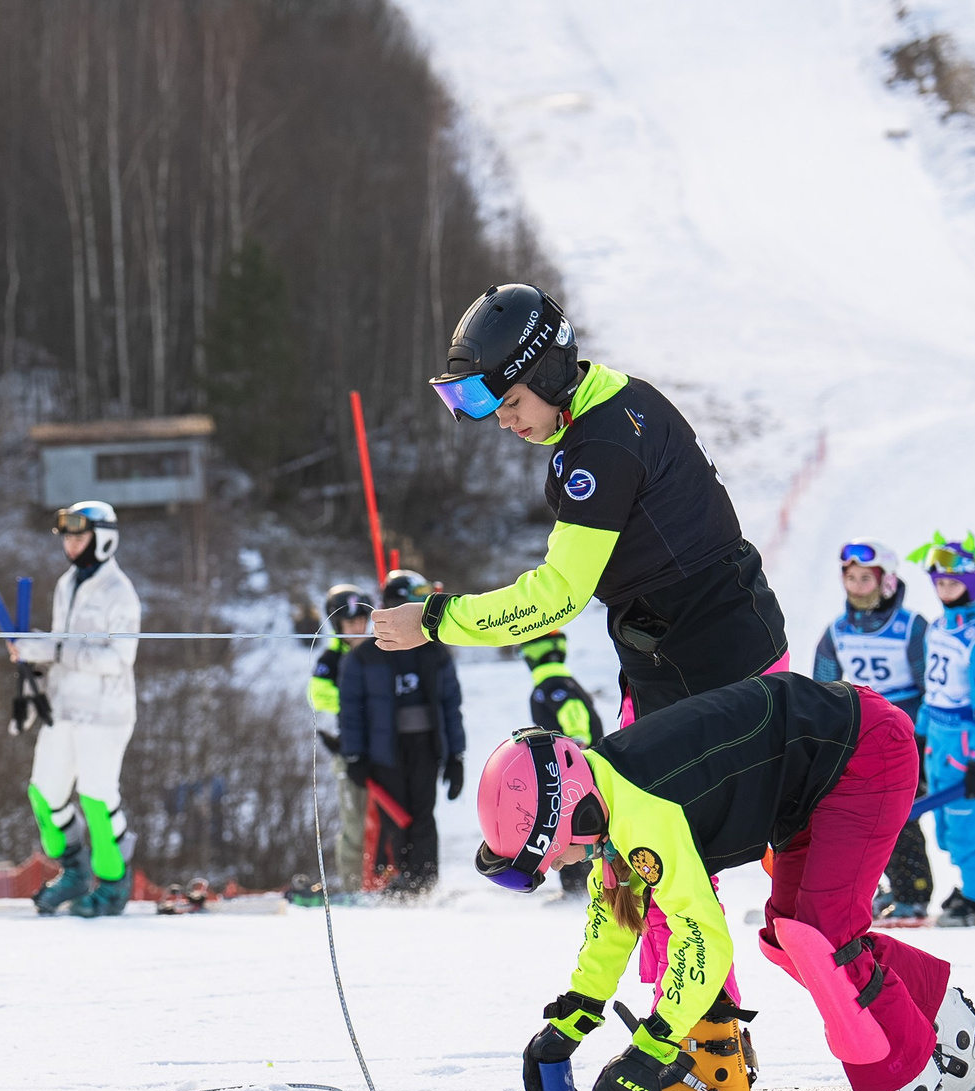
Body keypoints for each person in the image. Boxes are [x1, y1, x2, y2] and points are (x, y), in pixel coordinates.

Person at [481, 675, 975, 1091]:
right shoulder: (611, 794)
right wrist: (571, 1020)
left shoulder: (644, 813)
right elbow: (613, 918)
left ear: (574, 814)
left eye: (550, 855)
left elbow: (703, 940)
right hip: (829, 764)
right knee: (790, 935)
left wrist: (649, 1052)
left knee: (819, 935)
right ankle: (943, 1023)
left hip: (864, 751)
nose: (558, 867)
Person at [382, 284, 786, 728]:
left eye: (512, 401)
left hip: (711, 674)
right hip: (694, 656)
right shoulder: (616, 400)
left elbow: (558, 596)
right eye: (496, 407)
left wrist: (432, 620)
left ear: (548, 374)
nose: (504, 420)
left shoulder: (601, 445)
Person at [13, 501, 141, 918]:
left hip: (104, 713)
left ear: (103, 539)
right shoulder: (66, 584)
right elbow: (58, 644)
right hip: (64, 708)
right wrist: (34, 662)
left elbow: (118, 658)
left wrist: (57, 649)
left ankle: (113, 883)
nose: (71, 545)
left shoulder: (120, 593)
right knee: (44, 793)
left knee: (97, 798)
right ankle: (73, 872)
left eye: (79, 537)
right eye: (67, 538)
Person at [810, 543, 932, 918]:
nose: (858, 586)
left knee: (903, 814)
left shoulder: (911, 627)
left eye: (866, 578)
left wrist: (923, 738)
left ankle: (914, 891)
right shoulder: (838, 631)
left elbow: (930, 683)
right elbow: (825, 687)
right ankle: (886, 889)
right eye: (851, 578)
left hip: (909, 733)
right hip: (866, 734)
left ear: (887, 581)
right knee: (867, 817)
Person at [338, 568, 464, 895]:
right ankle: (390, 882)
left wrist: (456, 755)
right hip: (383, 752)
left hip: (426, 747)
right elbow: (350, 711)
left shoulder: (436, 652)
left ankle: (424, 884)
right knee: (393, 818)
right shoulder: (363, 657)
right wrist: (354, 755)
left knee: (423, 814)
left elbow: (451, 704)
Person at [909, 532, 975, 927]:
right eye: (939, 583)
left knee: (969, 830)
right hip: (938, 741)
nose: (944, 590)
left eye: (953, 582)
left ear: (973, 583)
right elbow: (933, 692)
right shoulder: (940, 627)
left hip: (967, 746)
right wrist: (919, 737)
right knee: (948, 833)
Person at [517, 629, 599, 895]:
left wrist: (576, 745)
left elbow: (574, 717)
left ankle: (579, 888)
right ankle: (580, 886)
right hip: (579, 769)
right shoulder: (563, 681)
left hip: (572, 771)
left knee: (570, 825)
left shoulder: (551, 686)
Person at [310, 584, 374, 893]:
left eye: (361, 620)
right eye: (349, 623)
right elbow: (320, 700)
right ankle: (352, 886)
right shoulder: (329, 660)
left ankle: (381, 881)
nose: (357, 628)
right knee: (355, 824)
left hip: (382, 750)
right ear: (337, 626)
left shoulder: (379, 652)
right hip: (348, 752)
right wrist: (356, 707)